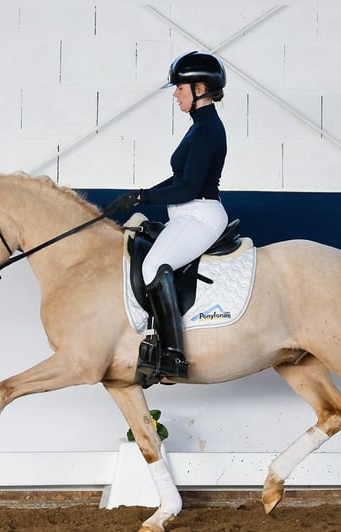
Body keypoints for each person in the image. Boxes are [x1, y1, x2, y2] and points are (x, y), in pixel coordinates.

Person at [108, 51, 229, 381]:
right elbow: (179, 181)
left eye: (179, 88)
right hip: (187, 215)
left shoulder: (206, 131)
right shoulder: (199, 127)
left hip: (201, 215)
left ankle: (172, 355)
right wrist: (137, 196)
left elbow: (188, 188)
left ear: (200, 87)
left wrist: (144, 197)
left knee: (152, 267)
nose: (175, 94)